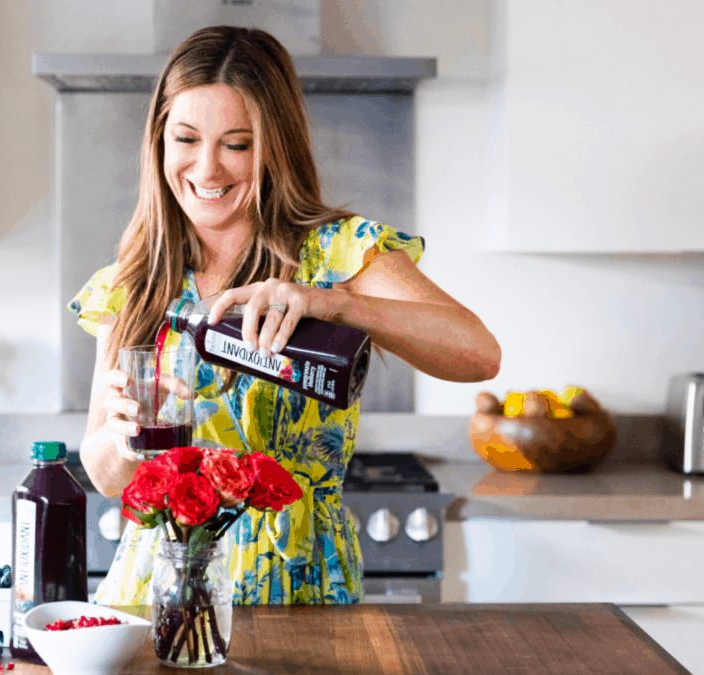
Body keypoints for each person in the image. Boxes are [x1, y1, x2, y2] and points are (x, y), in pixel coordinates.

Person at [69, 25, 501, 605]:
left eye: (238, 144)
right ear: (159, 142)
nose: (208, 168)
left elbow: (479, 353)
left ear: (277, 145)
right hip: (161, 594)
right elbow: (104, 474)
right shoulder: (134, 277)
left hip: (300, 594)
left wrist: (336, 302)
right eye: (187, 138)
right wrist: (122, 439)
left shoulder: (336, 254)